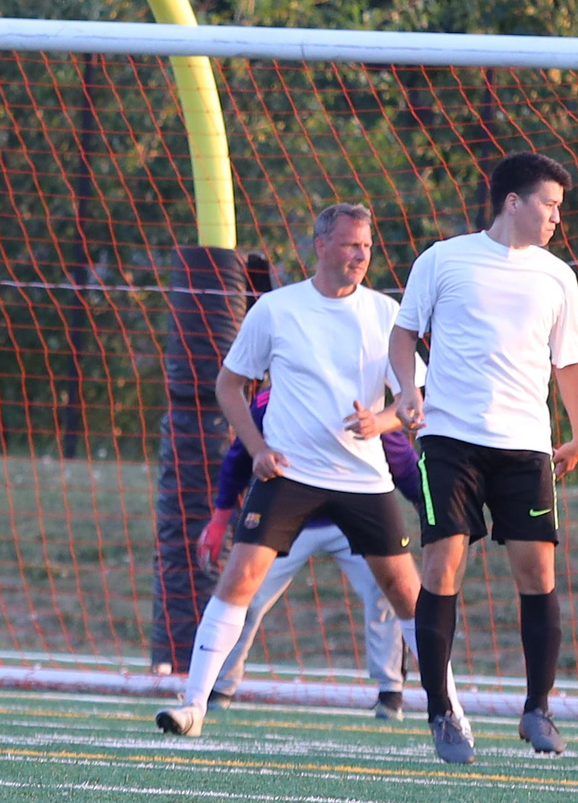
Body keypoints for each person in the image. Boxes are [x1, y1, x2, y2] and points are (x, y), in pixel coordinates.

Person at [156, 204, 421, 737]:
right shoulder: (277, 311)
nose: (360, 255)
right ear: (320, 246)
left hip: (361, 485)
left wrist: (386, 419)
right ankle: (199, 702)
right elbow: (228, 387)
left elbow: (416, 400)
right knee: (240, 584)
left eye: (367, 246)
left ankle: (436, 706)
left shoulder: (386, 313)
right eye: (350, 245)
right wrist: (256, 451)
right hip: (292, 482)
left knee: (400, 596)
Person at [391, 152, 578, 764]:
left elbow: (569, 361)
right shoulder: (444, 259)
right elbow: (404, 335)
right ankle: (441, 714)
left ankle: (538, 709)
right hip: (450, 440)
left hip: (526, 447)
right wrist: (406, 389)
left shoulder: (558, 277)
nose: (557, 215)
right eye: (550, 203)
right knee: (441, 568)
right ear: (514, 202)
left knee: (538, 574)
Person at [196, 383, 414, 718]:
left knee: (390, 593)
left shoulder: (362, 404)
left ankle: (392, 693)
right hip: (291, 518)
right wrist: (219, 518)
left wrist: (433, 511)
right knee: (245, 596)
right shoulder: (273, 399)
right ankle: (218, 688)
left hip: (352, 521)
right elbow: (241, 455)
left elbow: (401, 459)